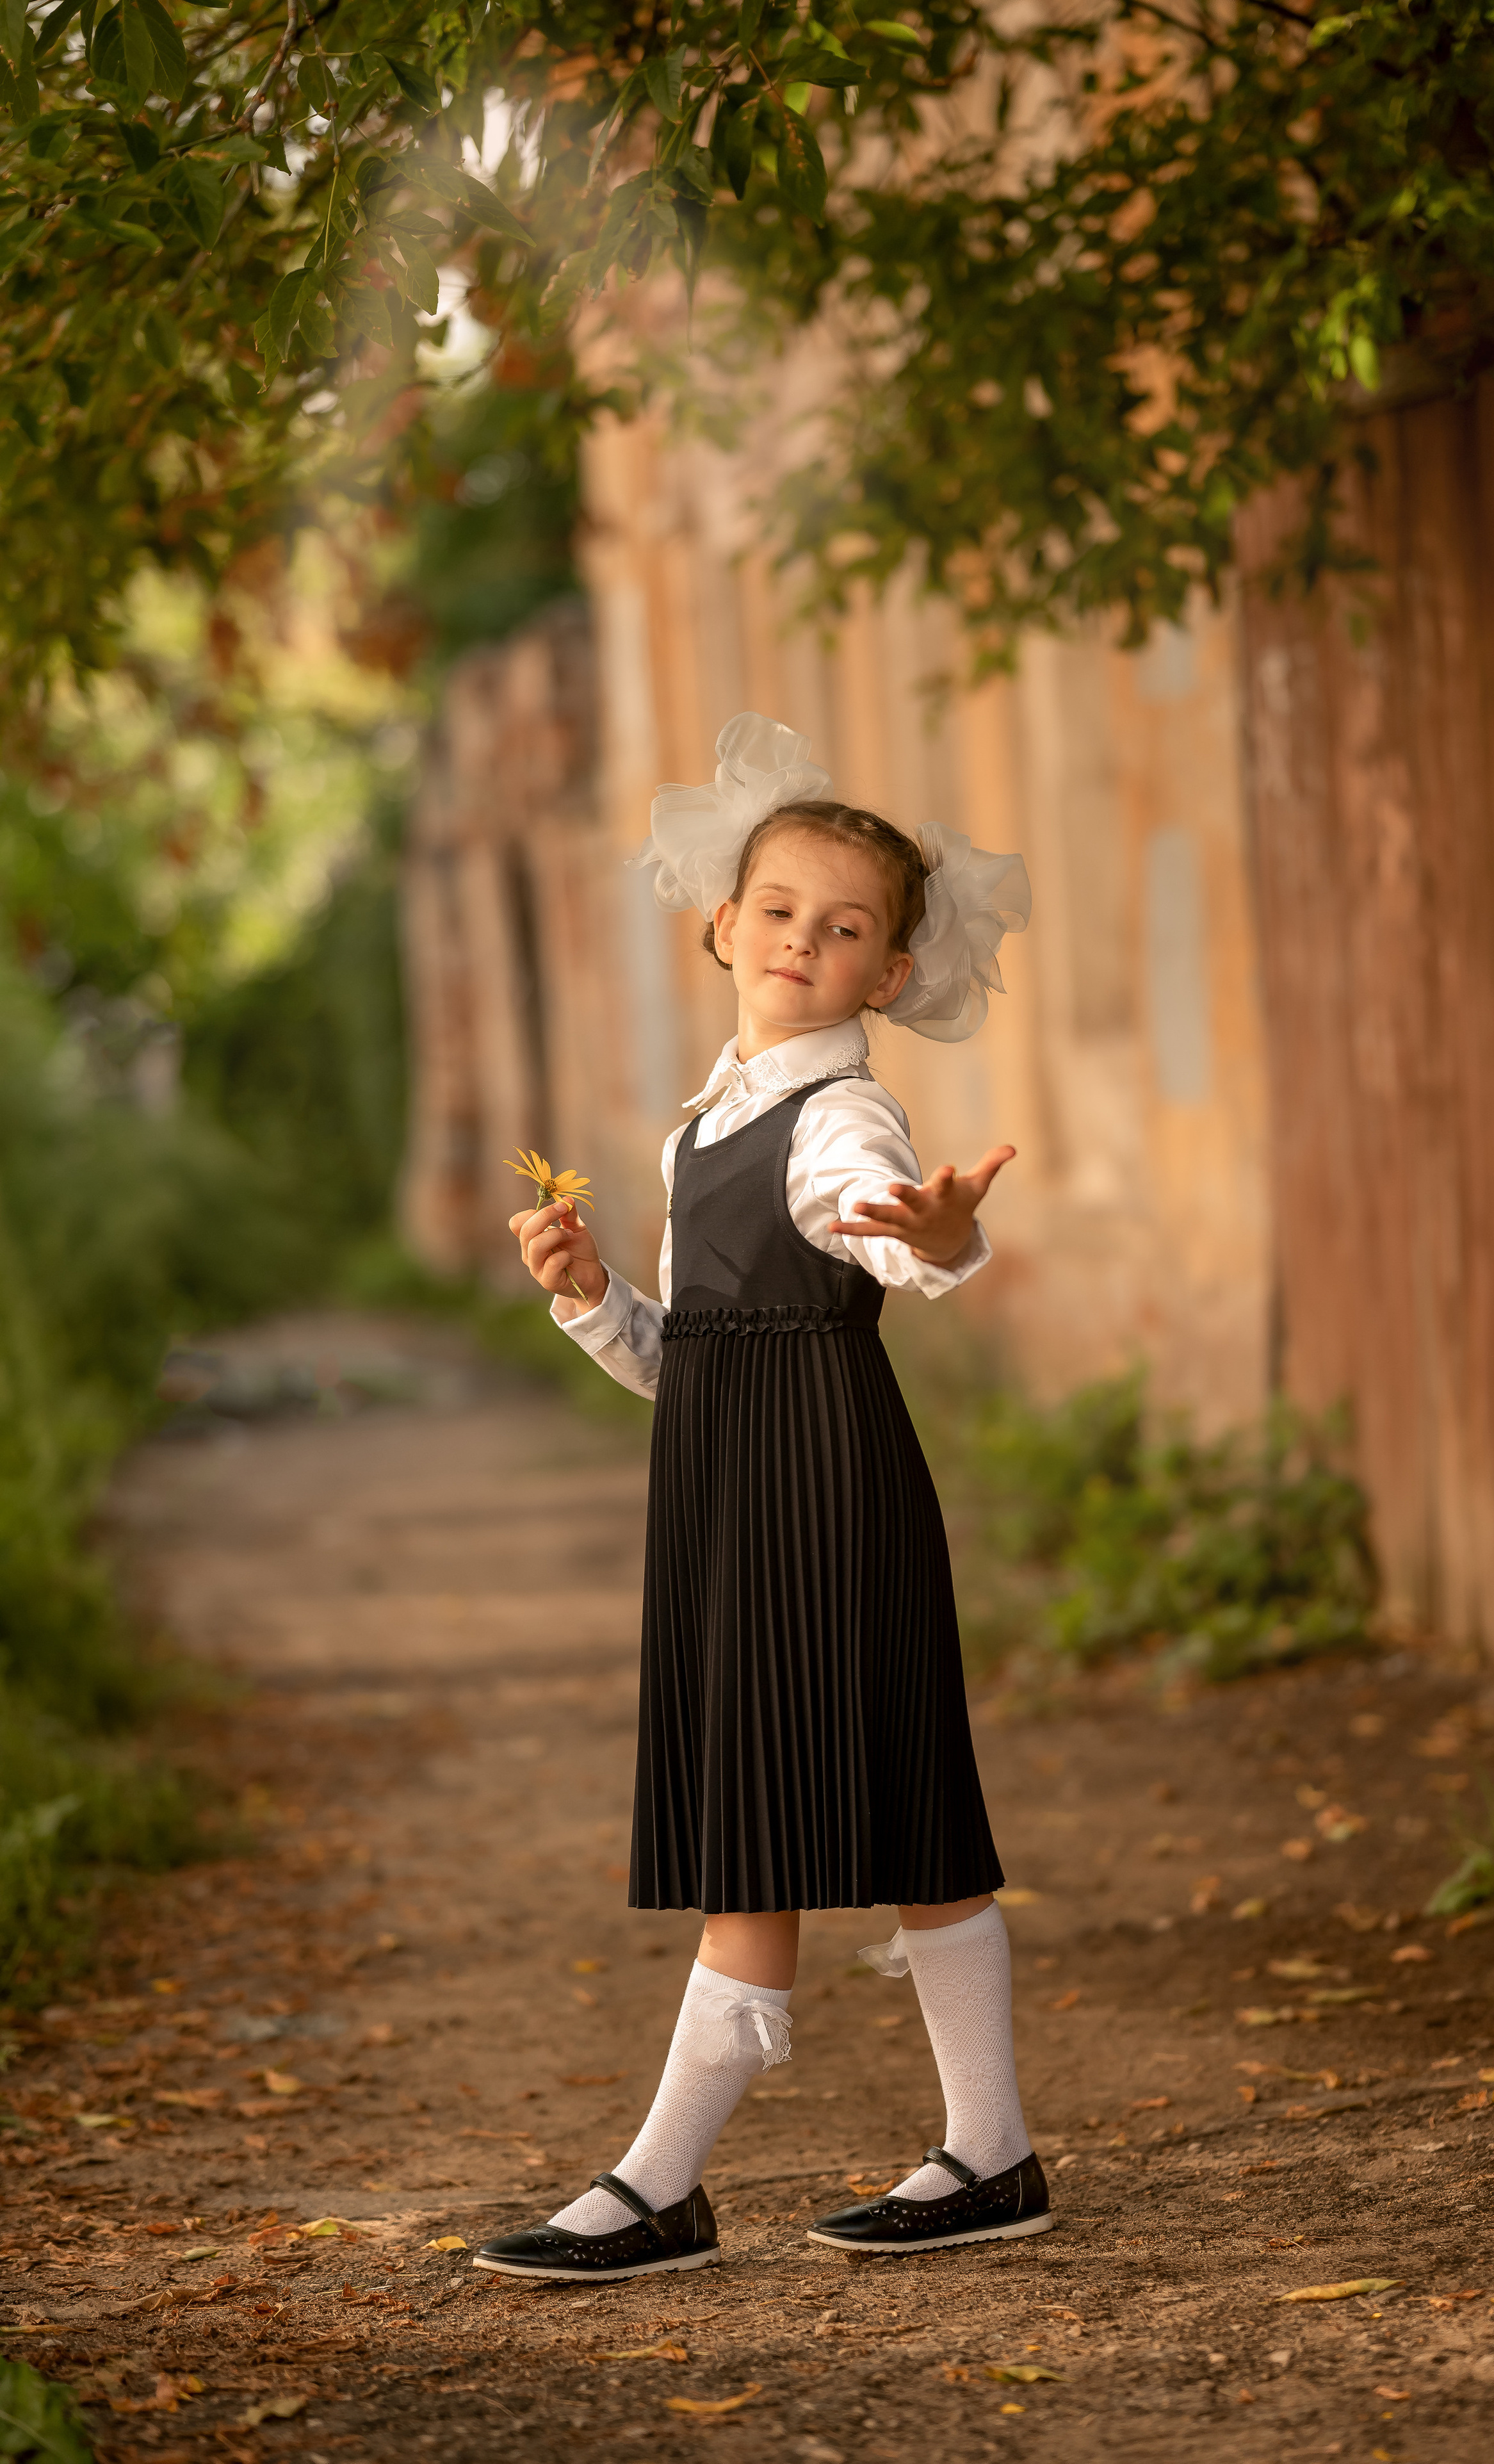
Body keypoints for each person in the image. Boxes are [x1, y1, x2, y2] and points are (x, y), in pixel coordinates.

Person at [473, 714, 1044, 2285]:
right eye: (779, 908)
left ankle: (662, 2186)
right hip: (730, 1493)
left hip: (824, 1494)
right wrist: (594, 1297)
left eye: (846, 926)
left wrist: (922, 1237)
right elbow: (691, 1357)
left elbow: (866, 1228)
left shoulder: (839, 1118)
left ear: (886, 976)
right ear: (720, 923)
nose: (804, 938)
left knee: (788, 1823)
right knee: (881, 1810)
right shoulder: (696, 1126)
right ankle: (988, 2152)